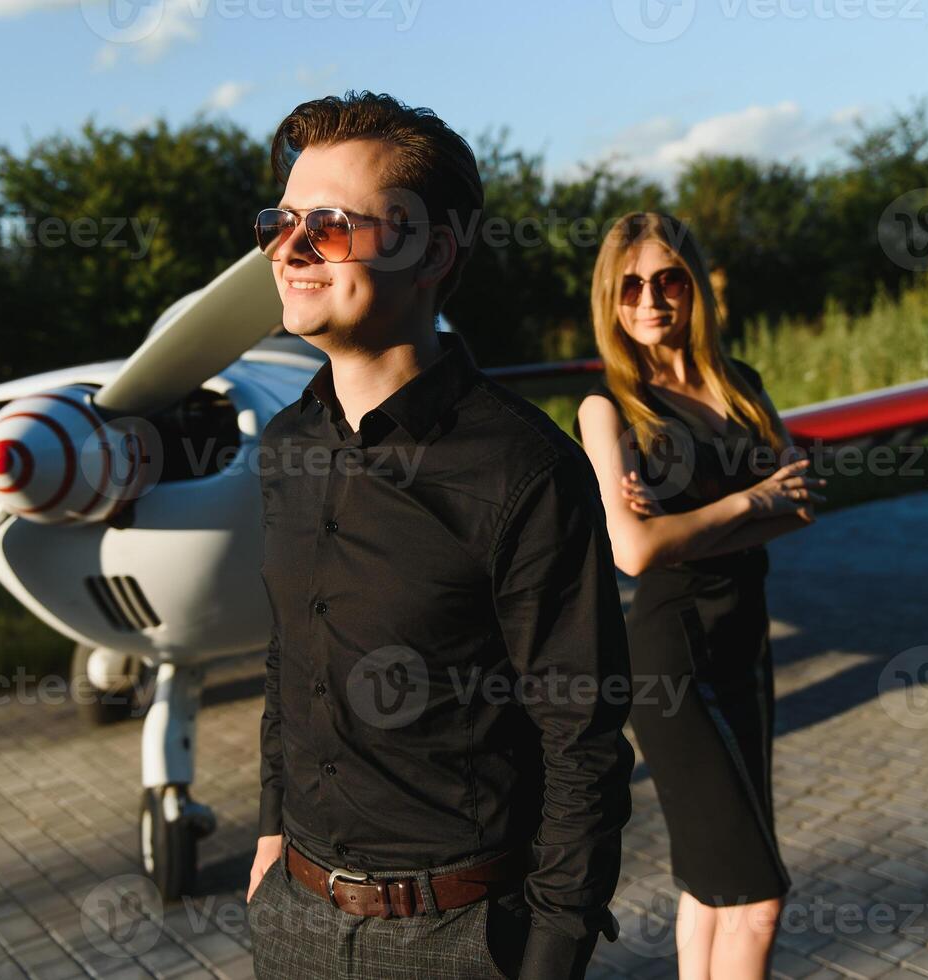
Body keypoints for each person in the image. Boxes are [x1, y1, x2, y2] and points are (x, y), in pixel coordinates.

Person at [244, 90, 635, 980]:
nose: (288, 249)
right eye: (281, 220)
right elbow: (286, 659)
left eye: (330, 226)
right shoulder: (284, 449)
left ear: (434, 250)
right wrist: (271, 834)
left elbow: (584, 743)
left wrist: (551, 955)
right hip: (293, 917)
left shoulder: (525, 472)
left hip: (454, 939)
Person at [573, 211, 824, 979]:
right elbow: (636, 551)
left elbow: (805, 503)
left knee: (712, 884)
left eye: (668, 279)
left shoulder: (741, 385)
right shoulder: (607, 409)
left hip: (746, 647)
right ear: (611, 302)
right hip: (672, 660)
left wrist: (691, 522)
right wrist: (751, 502)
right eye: (630, 287)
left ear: (696, 287)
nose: (650, 300)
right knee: (757, 895)